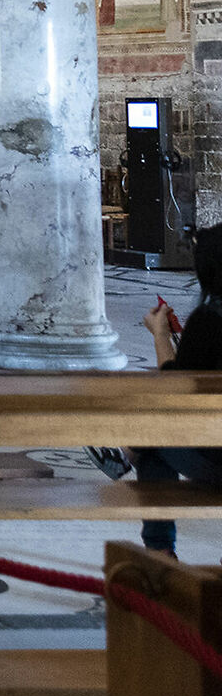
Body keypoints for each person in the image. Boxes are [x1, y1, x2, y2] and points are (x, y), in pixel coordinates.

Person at [121, 237, 222, 556]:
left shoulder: (209, 320)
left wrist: (161, 335)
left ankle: (160, 551)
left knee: (151, 438)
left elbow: (176, 390)